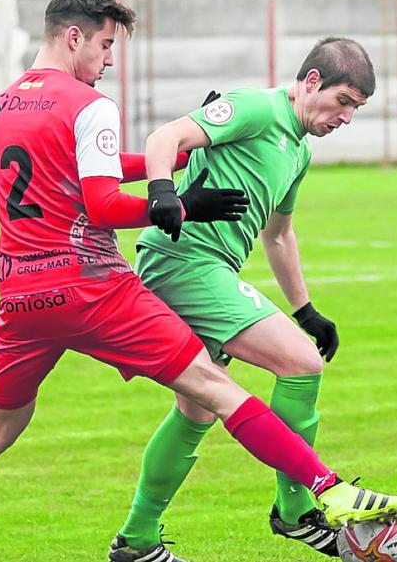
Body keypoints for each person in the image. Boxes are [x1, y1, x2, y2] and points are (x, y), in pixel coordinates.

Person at [0, 0, 397, 562]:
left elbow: (83, 173)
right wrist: (175, 201)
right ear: (74, 36)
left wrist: (180, 164)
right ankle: (323, 495)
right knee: (220, 387)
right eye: (106, 46)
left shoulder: (7, 103)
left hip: (20, 294)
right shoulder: (90, 104)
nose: (109, 60)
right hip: (92, 285)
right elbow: (104, 204)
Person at [108, 37, 374, 562]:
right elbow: (167, 136)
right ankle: (296, 511)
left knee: (196, 412)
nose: (346, 118)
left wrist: (306, 311)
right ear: (312, 82)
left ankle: (137, 540)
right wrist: (163, 193)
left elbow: (279, 236)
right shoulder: (256, 107)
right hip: (182, 263)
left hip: (209, 269)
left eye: (357, 110)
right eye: (344, 101)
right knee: (299, 365)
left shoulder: (298, 150)